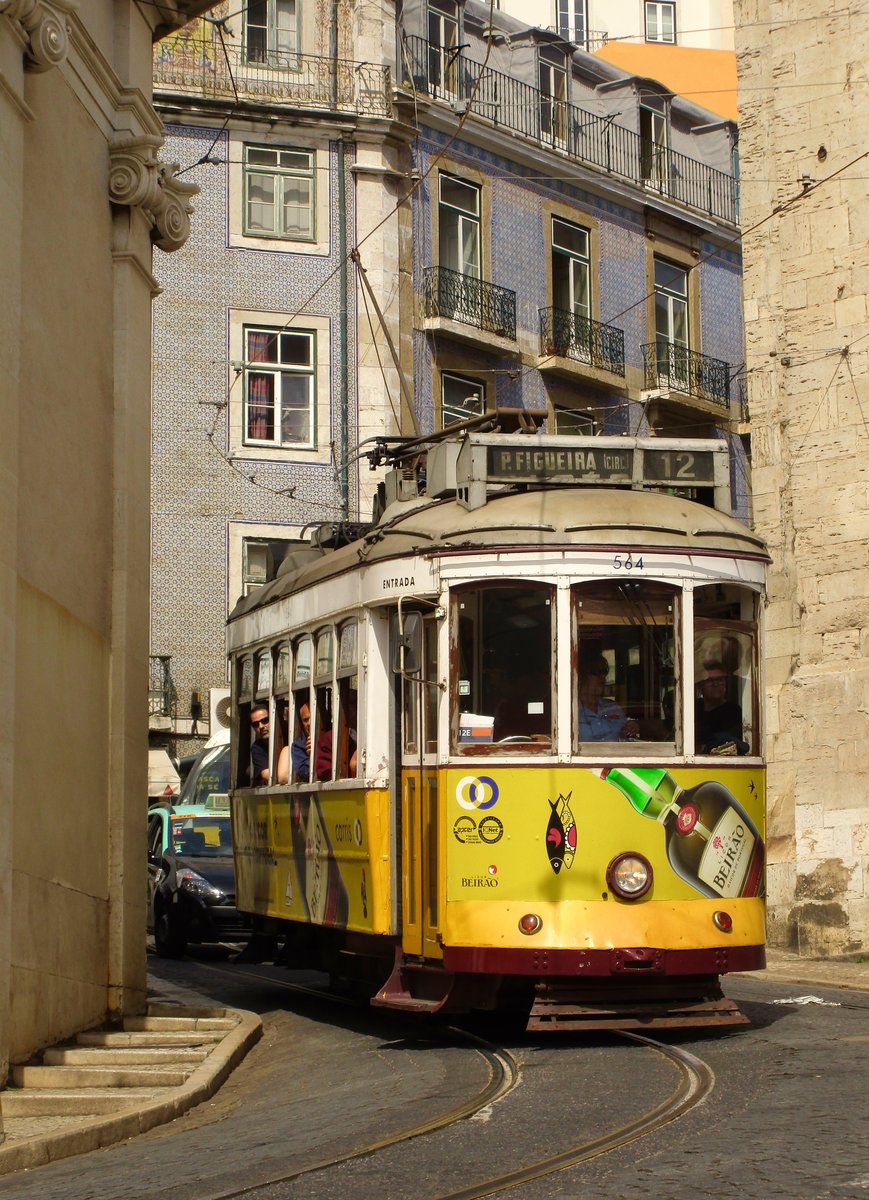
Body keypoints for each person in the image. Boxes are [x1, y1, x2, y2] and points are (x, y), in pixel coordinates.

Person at [578, 654, 635, 742]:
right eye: (596, 672)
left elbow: (626, 735)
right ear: (581, 676)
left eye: (604, 672)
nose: (602, 677)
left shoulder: (613, 707)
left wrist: (632, 726)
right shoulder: (571, 712)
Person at [695, 660, 747, 754]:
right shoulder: (694, 709)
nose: (716, 684)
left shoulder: (732, 711)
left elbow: (729, 744)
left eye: (719, 680)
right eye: (710, 681)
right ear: (700, 685)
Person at [276, 702, 311, 785]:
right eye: (305, 720)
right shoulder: (298, 745)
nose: (309, 723)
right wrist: (313, 756)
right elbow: (305, 773)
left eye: (313, 717)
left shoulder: (332, 737)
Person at [249, 702, 270, 784]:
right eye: (255, 724)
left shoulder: (290, 737)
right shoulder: (257, 747)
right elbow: (267, 775)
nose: (261, 726)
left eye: (265, 720)